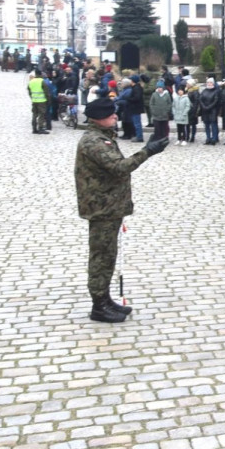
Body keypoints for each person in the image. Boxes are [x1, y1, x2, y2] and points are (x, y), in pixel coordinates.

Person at [74, 95, 169, 323]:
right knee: (101, 257)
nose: (115, 116)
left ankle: (105, 299)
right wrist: (148, 151)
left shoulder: (102, 137)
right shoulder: (94, 142)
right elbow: (119, 168)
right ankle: (99, 305)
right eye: (110, 114)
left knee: (108, 255)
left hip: (109, 206)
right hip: (102, 208)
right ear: (98, 119)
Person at [198, 78, 222, 145]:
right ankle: (208, 138)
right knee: (206, 125)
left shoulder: (216, 91)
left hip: (213, 110)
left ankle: (214, 138)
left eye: (210, 82)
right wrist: (204, 106)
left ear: (213, 83)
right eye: (208, 82)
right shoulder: (204, 91)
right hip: (205, 110)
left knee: (213, 125)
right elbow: (200, 99)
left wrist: (209, 107)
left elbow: (216, 100)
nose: (209, 83)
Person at [27, 68, 49, 134]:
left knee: (34, 114)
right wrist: (48, 99)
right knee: (41, 115)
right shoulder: (42, 81)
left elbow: (29, 91)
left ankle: (34, 128)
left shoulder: (31, 81)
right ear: (40, 74)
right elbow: (46, 92)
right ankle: (41, 128)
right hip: (42, 101)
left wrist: (32, 97)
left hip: (34, 100)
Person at [125, 75, 146, 142]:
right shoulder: (135, 87)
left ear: (133, 81)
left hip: (136, 108)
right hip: (134, 108)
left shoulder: (137, 88)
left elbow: (137, 98)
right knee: (136, 123)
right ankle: (138, 136)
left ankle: (139, 137)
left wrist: (129, 99)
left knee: (137, 123)